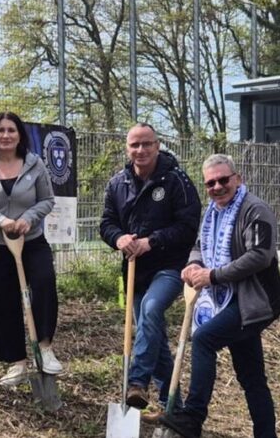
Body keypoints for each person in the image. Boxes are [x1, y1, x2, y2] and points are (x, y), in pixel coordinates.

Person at [159, 154, 280, 438]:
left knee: (204, 339)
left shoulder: (255, 210)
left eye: (223, 180)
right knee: (252, 378)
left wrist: (212, 276)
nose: (217, 186)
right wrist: (194, 264)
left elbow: (260, 256)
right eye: (210, 183)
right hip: (227, 299)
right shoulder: (214, 213)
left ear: (237, 179)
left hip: (256, 301)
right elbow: (200, 245)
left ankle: (192, 416)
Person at [99, 122, 201, 410]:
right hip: (135, 270)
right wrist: (119, 239)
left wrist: (151, 242)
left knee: (151, 310)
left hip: (170, 266)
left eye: (147, 144)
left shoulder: (176, 181)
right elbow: (106, 223)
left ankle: (137, 382)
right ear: (127, 148)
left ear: (157, 146)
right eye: (135, 144)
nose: (141, 150)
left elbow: (188, 226)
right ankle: (174, 408)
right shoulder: (117, 183)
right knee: (152, 334)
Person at [0, 111, 62, 386]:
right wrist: (2, 220)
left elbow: (47, 200)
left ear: (20, 135)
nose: (6, 135)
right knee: (1, 301)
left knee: (43, 284)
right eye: (0, 131)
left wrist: (26, 219)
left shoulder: (35, 165)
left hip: (31, 242)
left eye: (12, 130)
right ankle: (16, 362)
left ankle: (44, 348)